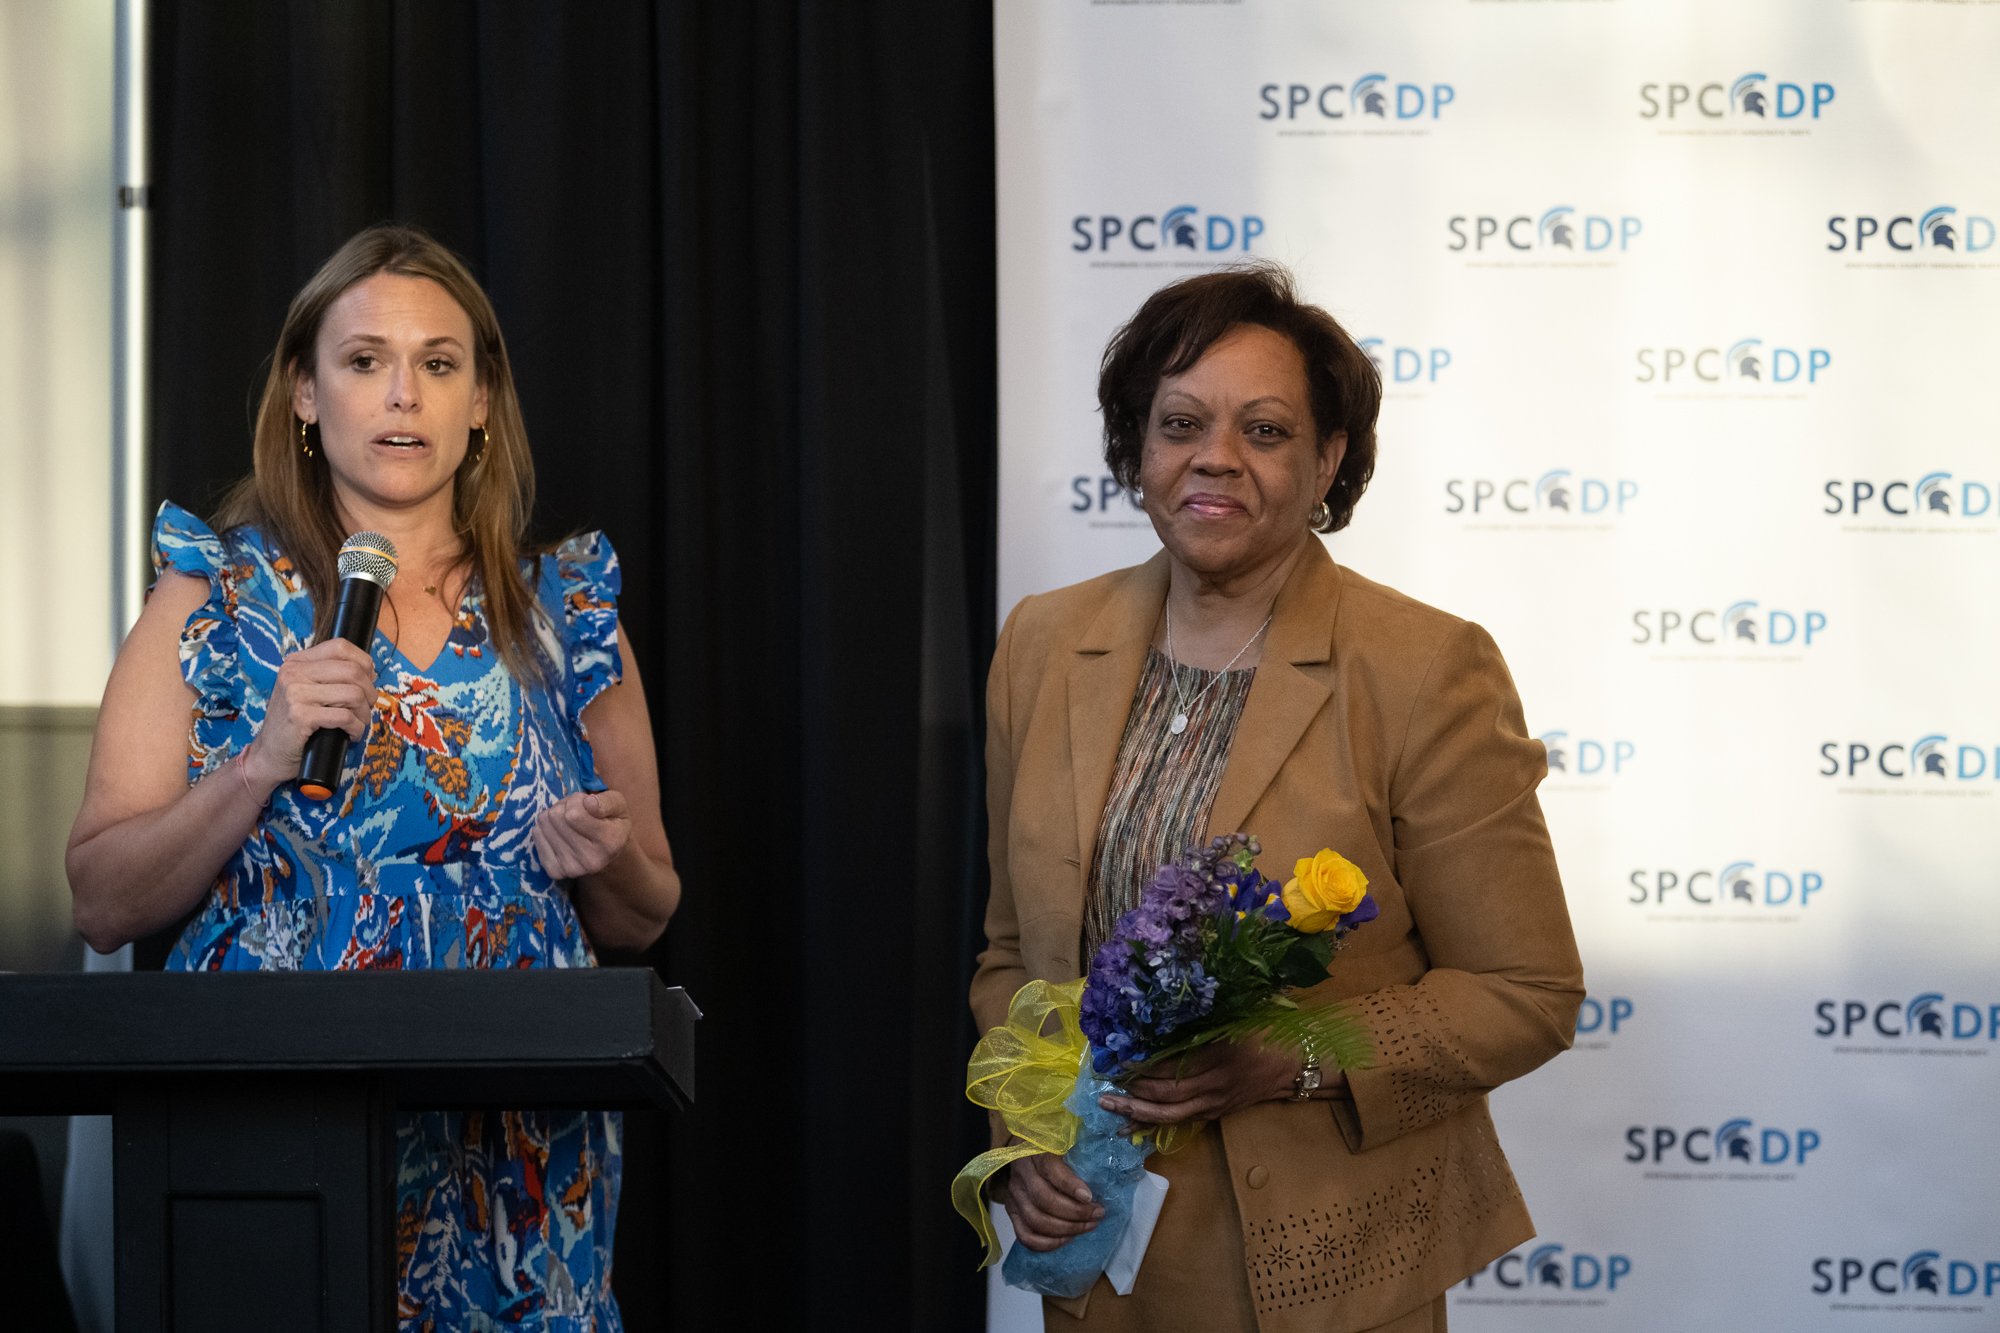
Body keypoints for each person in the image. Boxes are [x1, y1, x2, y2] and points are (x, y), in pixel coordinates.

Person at [66, 224, 679, 1329]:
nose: (404, 393)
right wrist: (258, 763)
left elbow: (644, 912)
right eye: (363, 362)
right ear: (304, 394)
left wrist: (603, 855)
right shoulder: (210, 600)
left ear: (481, 400)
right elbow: (103, 897)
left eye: (439, 364)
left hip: (516, 1142)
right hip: (271, 1115)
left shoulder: (567, 612)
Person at [974, 265, 1582, 1333]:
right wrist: (1022, 1143)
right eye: (1179, 423)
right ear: (1136, 447)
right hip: (1097, 1260)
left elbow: (1523, 987)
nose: (1214, 457)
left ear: (1327, 463)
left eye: (1263, 430)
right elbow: (1010, 962)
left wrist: (1296, 1056)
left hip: (1332, 1267)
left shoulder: (1422, 666)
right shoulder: (1040, 643)